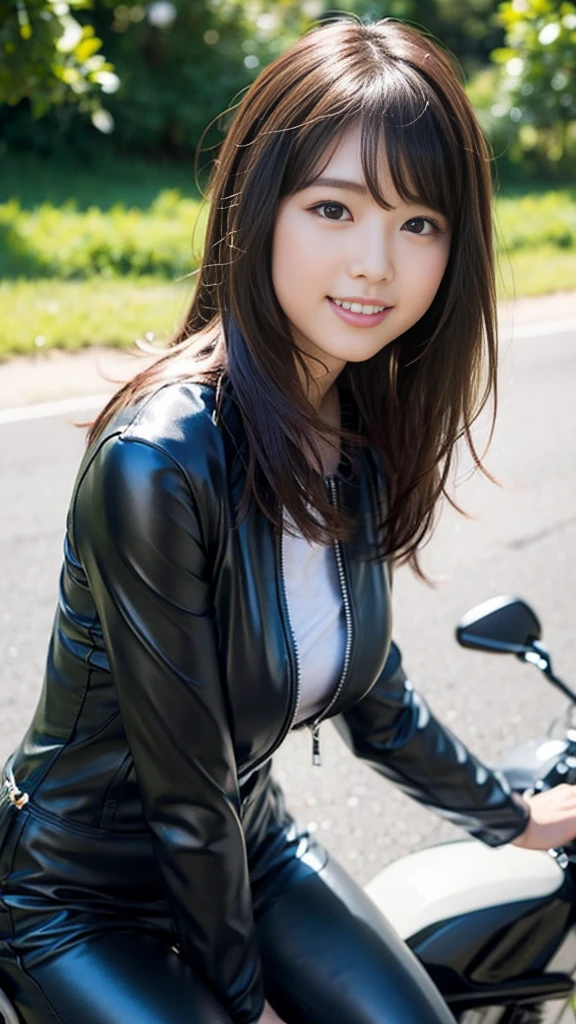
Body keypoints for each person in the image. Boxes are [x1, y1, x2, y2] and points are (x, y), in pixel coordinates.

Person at [2, 15, 576, 1024]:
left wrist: (513, 817)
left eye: (419, 224)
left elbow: (372, 688)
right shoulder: (157, 460)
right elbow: (182, 796)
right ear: (260, 209)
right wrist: (245, 999)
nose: (375, 265)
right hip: (78, 895)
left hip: (248, 841)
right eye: (333, 208)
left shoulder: (354, 421)